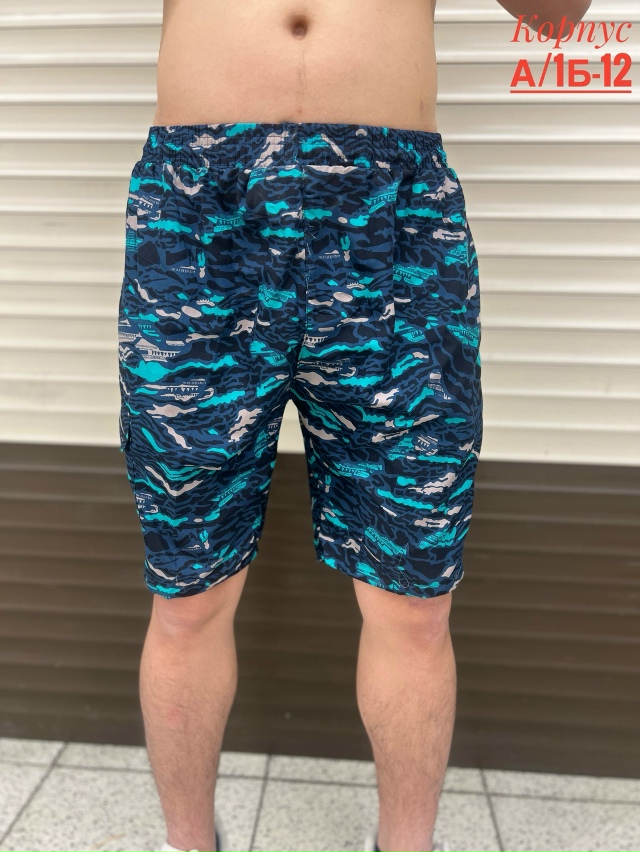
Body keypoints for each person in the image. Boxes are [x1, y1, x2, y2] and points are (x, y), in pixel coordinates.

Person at [116, 2, 592, 851]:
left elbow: (557, 15)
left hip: (395, 215)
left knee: (415, 604)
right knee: (188, 596)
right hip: (201, 212)